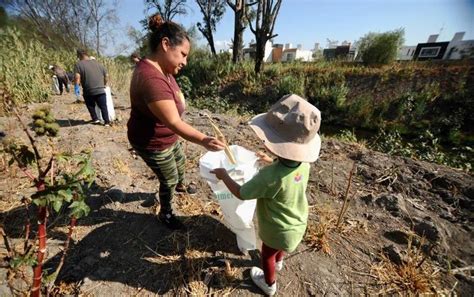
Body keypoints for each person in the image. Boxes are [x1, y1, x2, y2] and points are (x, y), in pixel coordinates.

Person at [211, 94, 322, 296]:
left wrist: (224, 175)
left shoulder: (268, 176)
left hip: (276, 229)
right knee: (279, 250)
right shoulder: (303, 165)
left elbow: (242, 193)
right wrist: (271, 160)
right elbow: (286, 173)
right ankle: (279, 262)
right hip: (297, 224)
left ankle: (269, 283)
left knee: (266, 255)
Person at [127, 14, 225, 230]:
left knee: (179, 163)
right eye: (182, 54)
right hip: (152, 141)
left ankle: (179, 185)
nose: (185, 61)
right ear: (165, 44)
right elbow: (172, 120)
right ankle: (166, 212)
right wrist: (204, 140)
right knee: (168, 177)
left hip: (167, 137)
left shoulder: (164, 70)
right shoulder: (151, 78)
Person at [74, 49, 111, 126]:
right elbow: (106, 75)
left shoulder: (79, 64)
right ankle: (107, 122)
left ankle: (95, 119)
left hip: (88, 90)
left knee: (90, 105)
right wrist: (104, 84)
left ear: (79, 56)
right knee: (103, 106)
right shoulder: (98, 63)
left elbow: (77, 77)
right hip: (100, 90)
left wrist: (76, 87)